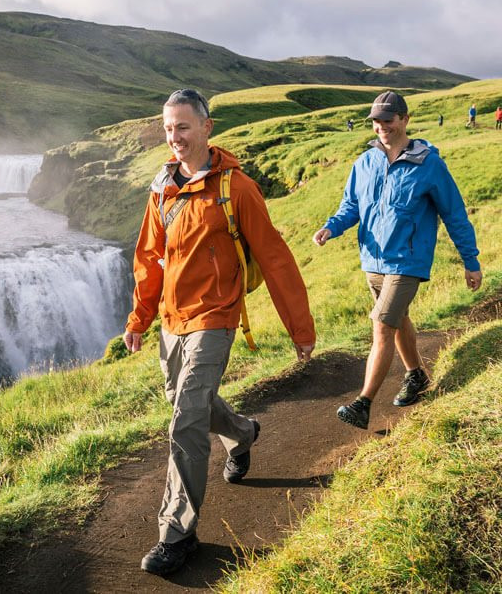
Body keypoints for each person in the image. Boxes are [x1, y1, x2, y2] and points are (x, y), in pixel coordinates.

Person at [124, 89, 316, 575]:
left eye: (183, 127)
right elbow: (149, 259)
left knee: (185, 418)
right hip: (172, 318)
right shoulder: (161, 188)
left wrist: (300, 327)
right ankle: (243, 433)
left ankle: (177, 534)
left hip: (216, 316)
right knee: (189, 404)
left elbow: (274, 256)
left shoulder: (236, 188)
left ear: (207, 128)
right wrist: (139, 319)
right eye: (168, 129)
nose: (175, 138)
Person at [312, 91, 482, 430]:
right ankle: (416, 374)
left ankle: (363, 403)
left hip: (408, 260)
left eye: (388, 121)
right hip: (373, 261)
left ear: (404, 119)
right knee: (398, 319)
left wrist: (470, 260)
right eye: (376, 122)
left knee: (382, 326)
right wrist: (331, 227)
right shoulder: (365, 163)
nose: (381, 127)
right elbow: (351, 208)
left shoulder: (429, 164)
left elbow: (454, 214)